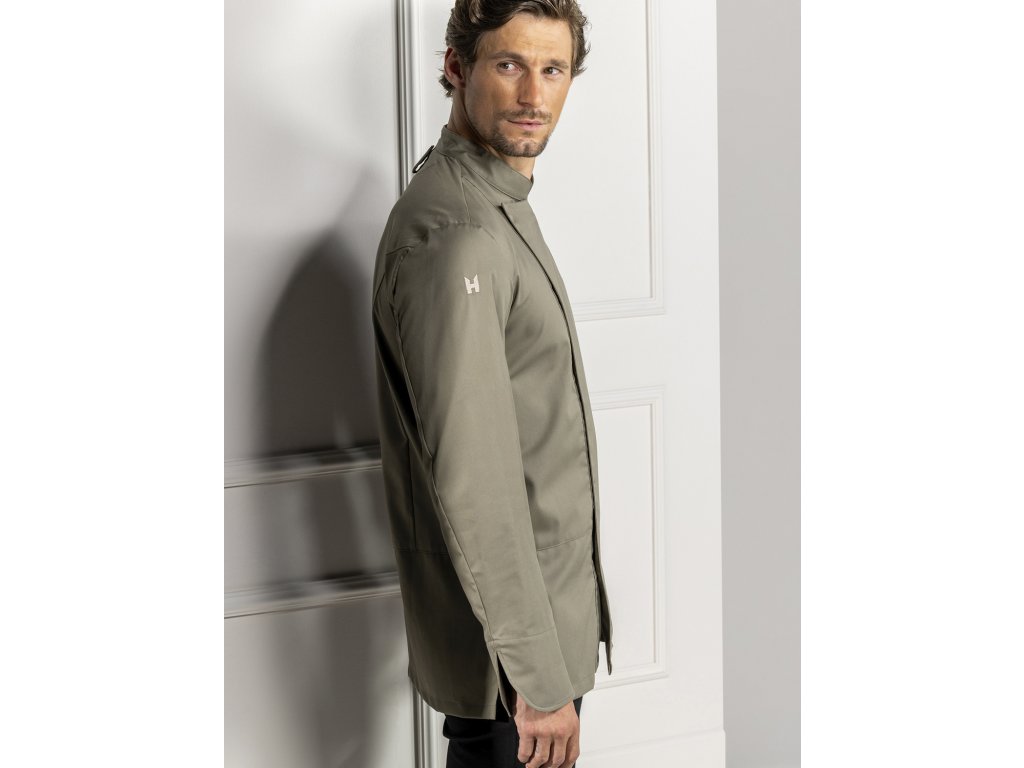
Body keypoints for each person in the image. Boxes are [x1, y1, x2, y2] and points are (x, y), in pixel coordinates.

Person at [371, 1, 612, 766]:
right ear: (456, 67)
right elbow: (473, 479)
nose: (534, 96)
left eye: (553, 69)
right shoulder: (461, 235)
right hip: (512, 664)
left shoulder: (490, 202)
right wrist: (537, 677)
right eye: (509, 65)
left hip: (531, 634)